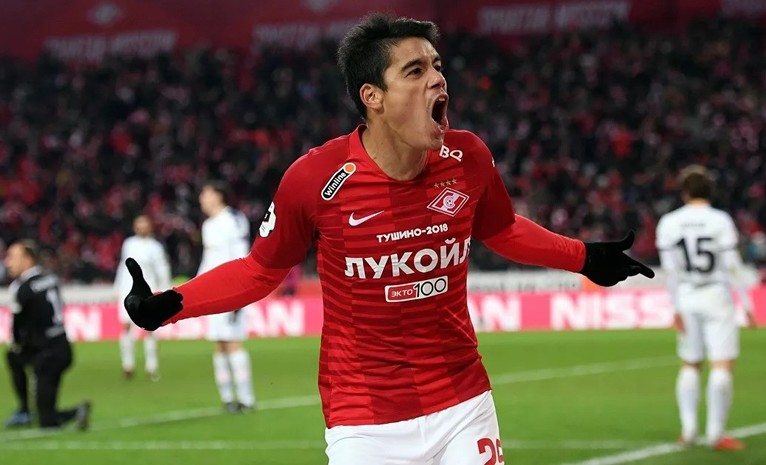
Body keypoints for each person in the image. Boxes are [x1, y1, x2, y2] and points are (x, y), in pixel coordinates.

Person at [123, 14, 653, 465]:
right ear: (372, 96)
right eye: (415, 71)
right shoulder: (314, 179)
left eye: (437, 66)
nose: (437, 79)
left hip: (463, 399)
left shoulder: (468, 157)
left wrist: (585, 257)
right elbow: (261, 271)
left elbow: (503, 229)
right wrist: (172, 304)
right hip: (363, 419)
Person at [656, 165, 756, 450]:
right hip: (716, 296)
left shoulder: (669, 222)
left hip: (687, 296)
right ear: (710, 190)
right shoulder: (720, 220)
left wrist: (674, 306)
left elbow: (669, 271)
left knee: (690, 363)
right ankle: (716, 433)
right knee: (721, 364)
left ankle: (688, 430)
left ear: (684, 192)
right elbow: (732, 265)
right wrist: (746, 303)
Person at [3, 240, 91, 430]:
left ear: (28, 259)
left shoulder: (22, 288)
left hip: (45, 353)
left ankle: (68, 412)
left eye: (12, 257)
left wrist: (19, 344)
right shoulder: (50, 278)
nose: (7, 262)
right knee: (13, 357)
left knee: (47, 421)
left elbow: (19, 325)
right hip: (60, 346)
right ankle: (28, 410)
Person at [197, 181, 256, 412]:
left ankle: (247, 399)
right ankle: (228, 398)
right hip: (212, 292)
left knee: (233, 342)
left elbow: (241, 255)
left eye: (205, 193)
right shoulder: (208, 225)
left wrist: (240, 290)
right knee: (219, 343)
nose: (202, 199)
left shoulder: (233, 219)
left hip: (231, 290)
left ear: (217, 195)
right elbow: (208, 260)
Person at [113, 215, 171, 381]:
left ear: (150, 227)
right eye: (139, 224)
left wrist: (165, 289)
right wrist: (116, 286)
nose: (142, 227)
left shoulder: (156, 247)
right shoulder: (128, 243)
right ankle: (128, 365)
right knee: (126, 326)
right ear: (135, 227)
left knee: (150, 328)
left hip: (148, 290)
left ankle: (151, 366)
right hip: (127, 290)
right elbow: (122, 266)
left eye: (144, 224)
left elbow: (162, 269)